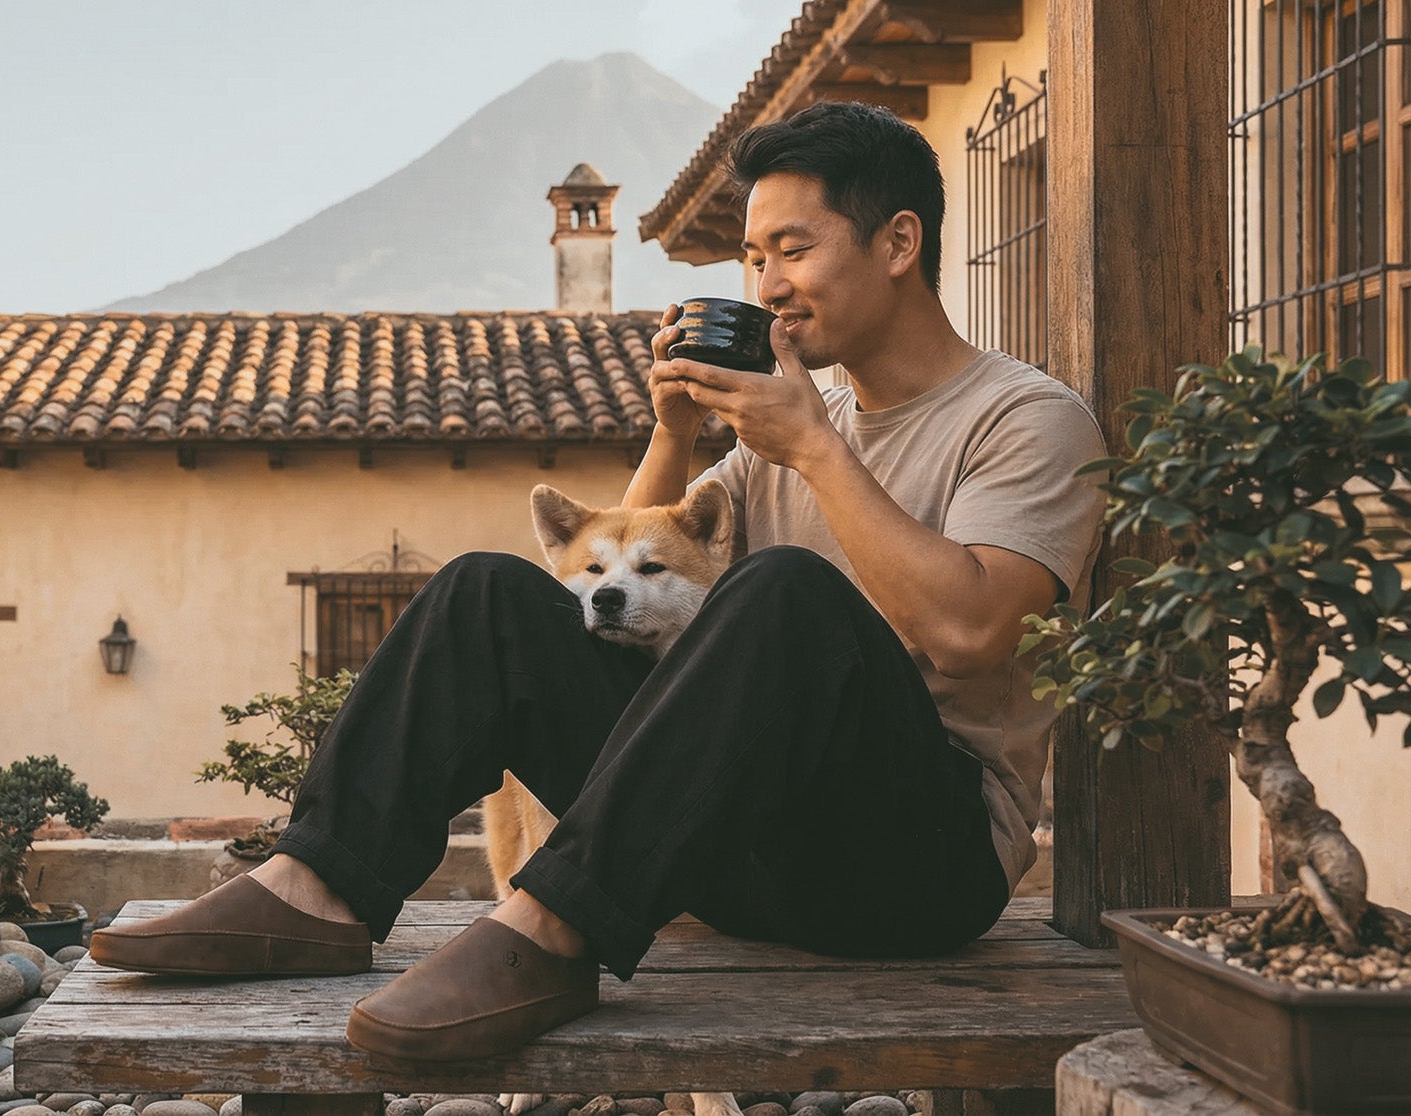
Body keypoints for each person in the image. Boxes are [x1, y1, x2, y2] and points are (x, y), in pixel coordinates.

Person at [87, 101, 1107, 1061]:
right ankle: (317, 887)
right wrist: (672, 435)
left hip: (912, 867)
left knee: (781, 591)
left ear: (896, 243)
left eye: (793, 251)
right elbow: (616, 560)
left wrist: (814, 452)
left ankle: (548, 927)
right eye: (753, 258)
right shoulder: (786, 430)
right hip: (742, 845)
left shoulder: (1022, 421)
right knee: (489, 591)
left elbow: (972, 630)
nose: (766, 288)